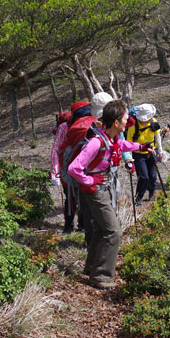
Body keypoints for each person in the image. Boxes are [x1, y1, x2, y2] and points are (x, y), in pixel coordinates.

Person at [68, 99, 153, 289]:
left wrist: (141, 147)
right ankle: (102, 276)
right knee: (113, 231)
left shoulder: (111, 139)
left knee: (101, 229)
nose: (127, 122)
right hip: (95, 191)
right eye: (124, 119)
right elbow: (74, 168)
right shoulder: (96, 142)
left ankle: (91, 268)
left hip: (102, 189)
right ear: (115, 123)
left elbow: (122, 147)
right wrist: (90, 181)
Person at [78, 92, 134, 246]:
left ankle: (104, 242)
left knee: (109, 208)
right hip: (92, 178)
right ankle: (92, 244)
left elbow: (121, 142)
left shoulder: (113, 124)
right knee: (92, 212)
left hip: (111, 173)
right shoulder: (88, 127)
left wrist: (128, 159)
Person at [51, 101, 90, 233]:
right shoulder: (63, 127)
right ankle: (69, 225)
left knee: (83, 197)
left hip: (83, 168)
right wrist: (55, 171)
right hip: (67, 169)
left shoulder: (89, 125)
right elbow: (56, 149)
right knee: (71, 198)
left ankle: (82, 226)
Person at [126, 103, 163, 205]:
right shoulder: (133, 125)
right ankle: (139, 197)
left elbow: (157, 138)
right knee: (143, 176)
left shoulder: (154, 122)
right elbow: (128, 143)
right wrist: (129, 159)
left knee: (153, 175)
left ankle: (151, 192)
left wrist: (160, 152)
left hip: (152, 152)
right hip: (138, 154)